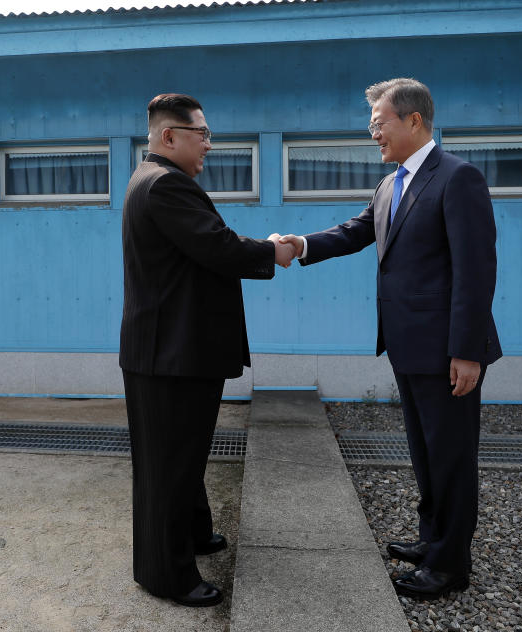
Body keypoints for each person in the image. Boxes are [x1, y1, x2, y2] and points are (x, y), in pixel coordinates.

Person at [275, 78, 501, 600]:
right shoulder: (391, 184)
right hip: (407, 345)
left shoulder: (457, 178)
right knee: (425, 453)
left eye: (379, 124)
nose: (373, 133)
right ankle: (432, 540)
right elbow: (357, 231)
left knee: (451, 456)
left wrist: (467, 351)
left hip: (448, 349)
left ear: (413, 121)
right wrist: (301, 244)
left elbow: (476, 271)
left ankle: (449, 566)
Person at [120, 93, 296, 607]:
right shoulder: (166, 185)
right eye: (202, 136)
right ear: (168, 136)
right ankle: (167, 575)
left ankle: (195, 534)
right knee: (169, 469)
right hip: (170, 355)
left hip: (173, 350)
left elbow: (206, 243)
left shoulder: (155, 181)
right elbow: (218, 247)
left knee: (184, 458)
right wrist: (274, 251)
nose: (209, 146)